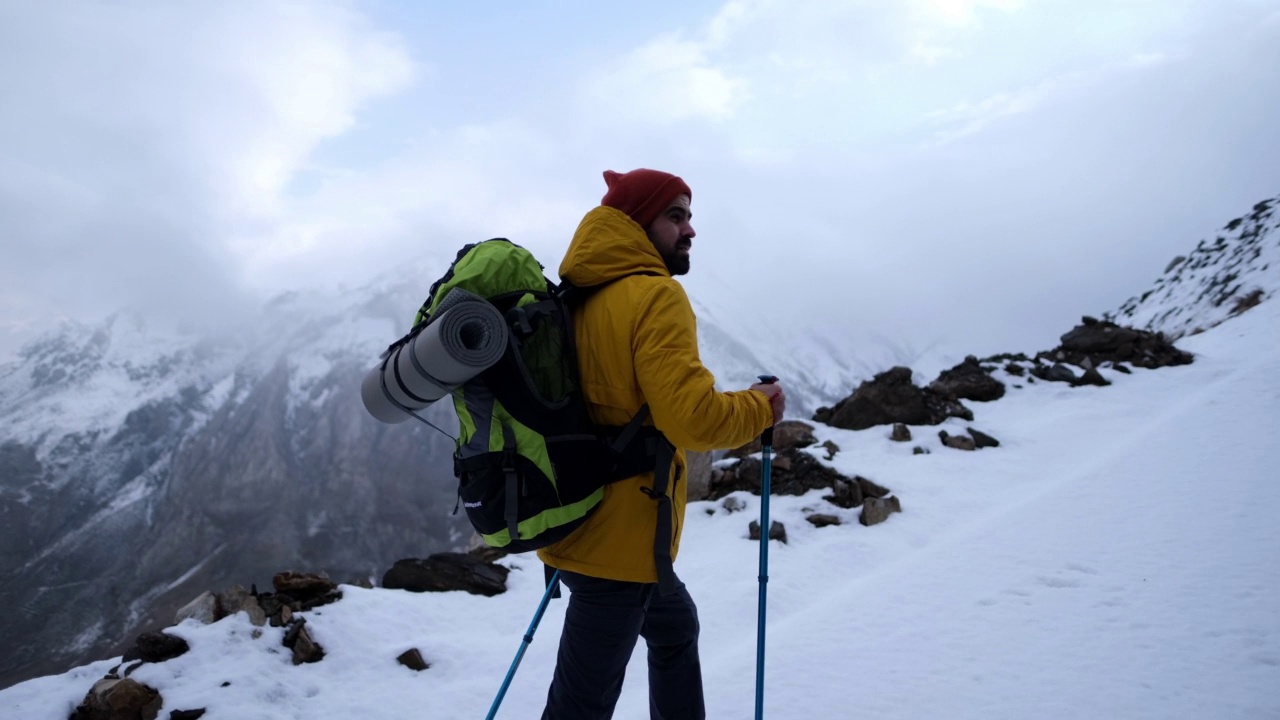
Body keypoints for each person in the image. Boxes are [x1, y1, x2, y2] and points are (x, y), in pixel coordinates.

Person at [538, 168, 786, 719]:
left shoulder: (576, 299)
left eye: (689, 216)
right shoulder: (656, 297)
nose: (690, 230)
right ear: (636, 224)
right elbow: (693, 420)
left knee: (675, 627)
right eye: (675, 216)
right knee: (580, 706)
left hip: (579, 521)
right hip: (618, 550)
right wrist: (758, 407)